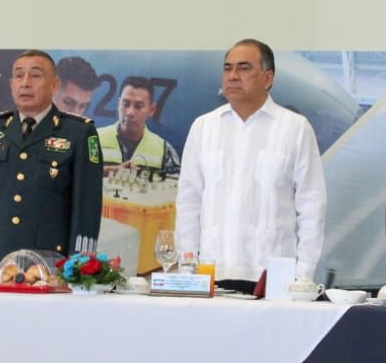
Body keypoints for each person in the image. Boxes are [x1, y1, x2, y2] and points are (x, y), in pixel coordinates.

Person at [176, 39, 326, 286]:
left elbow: (312, 206)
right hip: (211, 274)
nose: (233, 76)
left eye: (244, 68)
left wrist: (304, 276)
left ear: (268, 78)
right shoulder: (203, 127)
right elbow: (188, 203)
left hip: (273, 279)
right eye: (227, 68)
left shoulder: (295, 128)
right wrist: (187, 270)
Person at [0, 49, 103, 282]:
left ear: (54, 84)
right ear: (10, 84)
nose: (25, 83)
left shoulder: (78, 132)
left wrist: (77, 271)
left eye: (35, 76)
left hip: (50, 270)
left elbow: (86, 209)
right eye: (19, 76)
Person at [98, 76, 181, 176]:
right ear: (118, 104)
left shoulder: (164, 151)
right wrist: (107, 172)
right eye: (125, 104)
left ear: (152, 110)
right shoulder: (93, 139)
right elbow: (77, 175)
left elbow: (177, 189)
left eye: (138, 106)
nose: (130, 112)